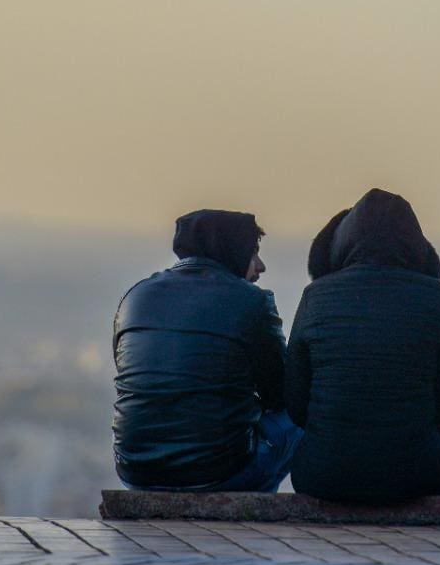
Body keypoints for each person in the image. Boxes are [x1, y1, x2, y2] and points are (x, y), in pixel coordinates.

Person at [285, 188, 440, 502]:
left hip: (322, 475)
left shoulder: (316, 295)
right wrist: (424, 440)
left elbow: (294, 397)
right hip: (416, 473)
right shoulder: (435, 296)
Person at [112, 209, 301, 491]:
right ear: (232, 251)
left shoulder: (135, 296)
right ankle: (253, 511)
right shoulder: (251, 301)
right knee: (303, 415)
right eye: (253, 253)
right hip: (218, 472)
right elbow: (282, 395)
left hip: (135, 469)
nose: (260, 266)